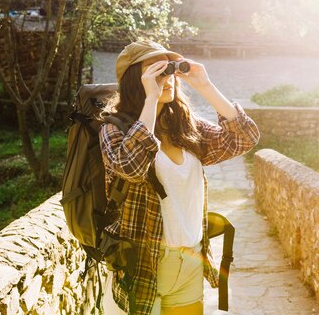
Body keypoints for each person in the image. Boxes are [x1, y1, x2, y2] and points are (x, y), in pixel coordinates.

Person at [97, 40, 260, 315]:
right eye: (157, 70)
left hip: (190, 259)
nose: (167, 77)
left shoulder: (183, 125)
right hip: (143, 263)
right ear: (134, 80)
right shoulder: (114, 129)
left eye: (169, 69)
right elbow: (132, 167)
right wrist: (151, 100)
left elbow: (244, 138)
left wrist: (205, 86)